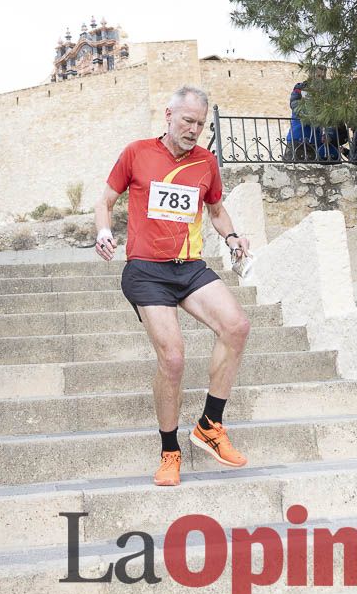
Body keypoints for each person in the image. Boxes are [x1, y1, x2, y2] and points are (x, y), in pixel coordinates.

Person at [95, 84, 252, 487]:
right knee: (174, 358)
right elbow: (105, 201)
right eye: (187, 121)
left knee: (236, 326)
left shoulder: (206, 163)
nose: (194, 129)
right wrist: (102, 232)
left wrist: (233, 238)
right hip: (147, 271)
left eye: (200, 123)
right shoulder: (137, 153)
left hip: (189, 268)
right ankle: (169, 450)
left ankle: (210, 426)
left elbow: (216, 211)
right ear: (168, 115)